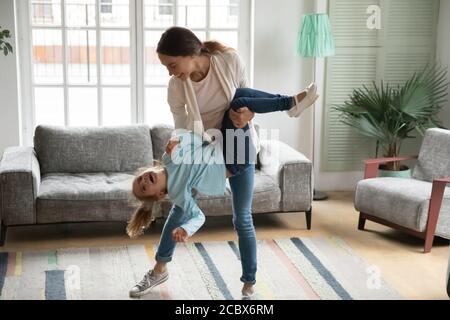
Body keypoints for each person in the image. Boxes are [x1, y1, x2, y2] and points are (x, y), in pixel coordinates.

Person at [129, 25, 317, 299]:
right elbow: (182, 129)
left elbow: (249, 101)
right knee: (179, 209)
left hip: (239, 146)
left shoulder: (229, 61)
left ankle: (249, 286)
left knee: (242, 218)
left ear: (189, 53)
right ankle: (159, 270)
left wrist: (248, 116)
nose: (170, 72)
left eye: (171, 64)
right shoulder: (177, 87)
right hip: (207, 155)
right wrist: (179, 143)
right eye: (166, 68)